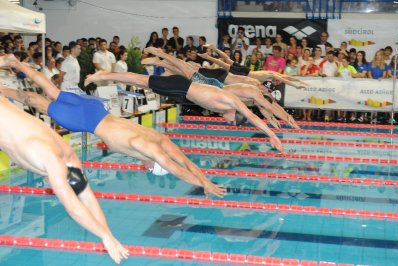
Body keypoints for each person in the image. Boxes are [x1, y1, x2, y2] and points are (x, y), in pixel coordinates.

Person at [0, 54, 226, 199]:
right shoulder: (148, 149)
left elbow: (184, 160)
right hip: (87, 122)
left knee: (50, 90)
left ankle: (14, 62)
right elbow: (178, 169)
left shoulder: (159, 138)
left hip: (96, 110)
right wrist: (203, 184)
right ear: (153, 164)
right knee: (38, 101)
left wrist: (205, 180)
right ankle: (3, 90)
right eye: (149, 168)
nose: (145, 166)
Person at [0, 86, 128, 264]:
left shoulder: (70, 157)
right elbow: (73, 206)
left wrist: (107, 235)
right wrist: (105, 237)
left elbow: (88, 198)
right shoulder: (52, 162)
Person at [141, 47, 299, 129]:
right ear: (265, 90)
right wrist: (287, 118)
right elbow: (270, 105)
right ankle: (160, 56)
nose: (267, 94)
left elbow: (270, 107)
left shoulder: (256, 95)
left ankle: (160, 61)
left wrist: (275, 118)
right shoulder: (255, 90)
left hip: (218, 82)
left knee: (187, 70)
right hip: (217, 80)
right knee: (186, 68)